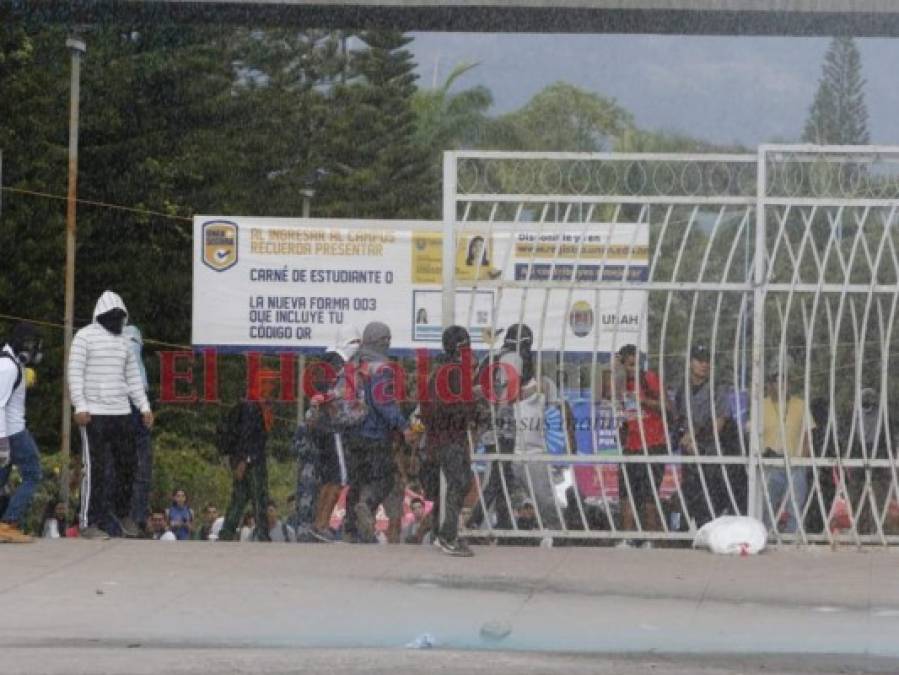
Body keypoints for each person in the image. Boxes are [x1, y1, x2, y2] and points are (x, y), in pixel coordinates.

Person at [67, 291, 153, 539]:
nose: (116, 321)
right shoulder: (84, 337)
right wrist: (79, 406)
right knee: (95, 468)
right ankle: (88, 521)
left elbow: (134, 378)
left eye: (120, 317)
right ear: (101, 316)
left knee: (128, 465)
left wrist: (144, 407)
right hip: (94, 414)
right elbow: (75, 373)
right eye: (112, 317)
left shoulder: (125, 341)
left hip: (122, 413)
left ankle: (122, 513)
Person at [343, 322, 415, 543]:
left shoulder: (353, 363)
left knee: (357, 480)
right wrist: (403, 426)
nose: (389, 344)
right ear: (381, 341)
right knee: (384, 478)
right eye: (387, 340)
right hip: (375, 434)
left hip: (352, 433)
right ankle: (369, 504)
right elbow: (383, 402)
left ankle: (350, 529)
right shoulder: (381, 367)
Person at [294, 326, 360, 542]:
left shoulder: (325, 360)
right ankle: (321, 524)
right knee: (339, 479)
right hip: (333, 430)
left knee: (329, 478)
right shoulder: (338, 364)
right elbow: (334, 399)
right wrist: (359, 412)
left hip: (322, 428)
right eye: (355, 343)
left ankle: (318, 523)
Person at [467, 323, 532, 532]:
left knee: (503, 474)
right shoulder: (513, 358)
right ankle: (472, 523)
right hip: (501, 425)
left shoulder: (492, 356)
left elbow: (479, 388)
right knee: (498, 477)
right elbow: (507, 392)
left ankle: (505, 526)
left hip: (488, 424)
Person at [670, 343, 739, 528]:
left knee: (709, 504)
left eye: (707, 361)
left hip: (710, 455)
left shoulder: (718, 388)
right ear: (691, 362)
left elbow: (719, 423)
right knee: (687, 500)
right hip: (689, 456)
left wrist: (694, 437)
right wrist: (683, 436)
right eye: (699, 360)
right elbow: (678, 419)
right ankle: (683, 540)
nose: (704, 364)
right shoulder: (682, 389)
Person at [615, 344, 668, 548]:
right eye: (629, 364)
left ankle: (650, 539)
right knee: (626, 493)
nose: (633, 368)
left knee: (649, 496)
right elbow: (617, 411)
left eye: (637, 364)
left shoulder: (649, 379)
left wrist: (643, 400)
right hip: (631, 445)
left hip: (654, 444)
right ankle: (627, 538)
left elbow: (665, 406)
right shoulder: (617, 384)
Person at [0, 322, 44, 543]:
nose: (36, 351)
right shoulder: (8, 367)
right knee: (33, 474)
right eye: (34, 345)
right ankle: (8, 523)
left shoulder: (12, 363)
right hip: (12, 432)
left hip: (8, 431)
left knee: (2, 476)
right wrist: (3, 441)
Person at [761, 358, 815, 534]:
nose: (780, 384)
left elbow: (808, 434)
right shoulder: (761, 405)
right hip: (769, 464)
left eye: (784, 380)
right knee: (766, 508)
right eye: (775, 380)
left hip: (795, 464)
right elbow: (752, 434)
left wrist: (803, 460)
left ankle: (794, 540)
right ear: (769, 383)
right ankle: (765, 536)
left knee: (795, 508)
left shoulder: (800, 404)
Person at [219, 377, 277, 542]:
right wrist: (245, 460)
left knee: (239, 497)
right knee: (259, 498)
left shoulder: (250, 407)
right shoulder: (251, 408)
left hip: (245, 459)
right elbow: (247, 436)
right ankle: (262, 533)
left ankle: (227, 532)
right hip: (252, 461)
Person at [122, 325, 153, 536]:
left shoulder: (130, 332)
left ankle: (135, 517)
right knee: (130, 465)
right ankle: (128, 516)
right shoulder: (125, 339)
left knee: (140, 466)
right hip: (123, 403)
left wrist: (145, 408)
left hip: (135, 401)